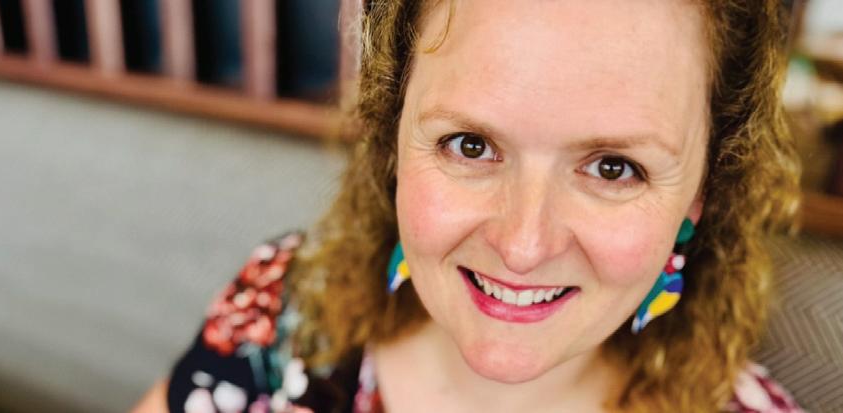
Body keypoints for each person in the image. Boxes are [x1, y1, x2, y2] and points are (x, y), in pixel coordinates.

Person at [133, 0, 804, 411]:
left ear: (699, 196)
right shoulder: (284, 309)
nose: (523, 245)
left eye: (613, 167)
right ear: (392, 141)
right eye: (471, 145)